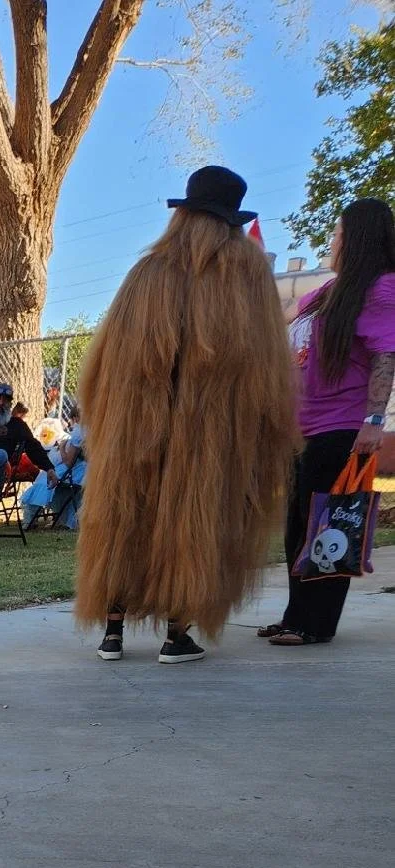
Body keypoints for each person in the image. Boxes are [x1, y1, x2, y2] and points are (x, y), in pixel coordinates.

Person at [76, 166, 296, 664]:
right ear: (232, 221)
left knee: (123, 514)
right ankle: (177, 636)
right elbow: (267, 370)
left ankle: (112, 633)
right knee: (195, 519)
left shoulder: (146, 273)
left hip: (135, 422)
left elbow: (103, 367)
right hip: (212, 429)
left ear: (183, 214)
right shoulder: (247, 272)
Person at [260, 197, 395, 648]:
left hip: (343, 424)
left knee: (328, 524)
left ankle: (314, 623)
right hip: (304, 426)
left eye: (338, 232)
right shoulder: (326, 293)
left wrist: (374, 420)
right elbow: (284, 324)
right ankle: (295, 615)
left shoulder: (380, 288)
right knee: (300, 523)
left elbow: (384, 355)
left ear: (356, 238)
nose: (332, 239)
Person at [18, 402, 86, 530]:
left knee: (45, 479)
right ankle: (59, 519)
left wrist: (61, 447)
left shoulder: (79, 432)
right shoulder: (92, 431)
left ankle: (31, 517)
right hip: (85, 470)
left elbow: (68, 462)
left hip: (75, 471)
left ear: (76, 418)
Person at [0, 382, 54, 484]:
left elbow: (33, 447)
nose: (1, 403)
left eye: (6, 400)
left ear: (10, 405)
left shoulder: (17, 426)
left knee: (0, 455)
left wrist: (49, 468)